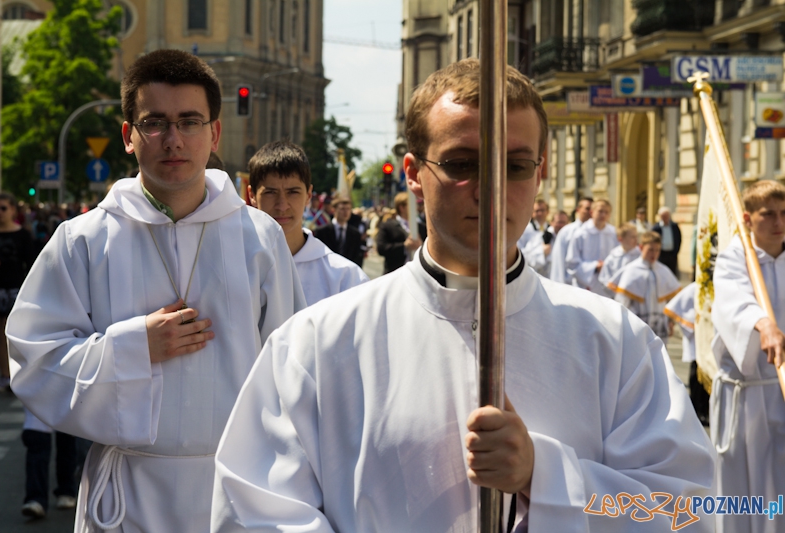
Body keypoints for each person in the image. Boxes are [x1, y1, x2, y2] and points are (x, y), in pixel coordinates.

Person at [211, 58, 714, 533]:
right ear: (413, 174)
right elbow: (254, 510)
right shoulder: (317, 343)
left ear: (540, 174)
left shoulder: (614, 341)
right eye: (460, 163)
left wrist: (547, 477)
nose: (491, 187)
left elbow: (686, 509)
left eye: (516, 165)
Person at [6, 49, 304, 533]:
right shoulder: (83, 240)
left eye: (189, 121)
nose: (173, 139)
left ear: (215, 133)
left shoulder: (259, 237)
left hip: (239, 492)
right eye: (154, 123)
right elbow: (34, 360)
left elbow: (294, 370)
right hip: (129, 497)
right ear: (128, 136)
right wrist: (133, 348)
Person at [710, 180, 785, 533]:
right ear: (747, 218)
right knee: (740, 479)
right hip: (746, 393)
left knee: (777, 480)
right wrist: (764, 325)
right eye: (768, 214)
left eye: (784, 214)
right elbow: (733, 302)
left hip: (780, 390)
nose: (778, 223)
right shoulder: (733, 258)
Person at [247, 140, 368, 306]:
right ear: (252, 195)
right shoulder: (233, 267)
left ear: (309, 195)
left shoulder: (345, 278)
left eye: (293, 192)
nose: (282, 205)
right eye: (270, 192)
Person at [0, 192, 34, 392]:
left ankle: (19, 376)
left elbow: (31, 264)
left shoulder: (22, 235)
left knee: (13, 335)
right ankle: (4, 376)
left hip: (16, 289)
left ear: (13, 209)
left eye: (3, 208)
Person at [606, 231, 680, 342]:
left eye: (657, 250)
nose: (654, 254)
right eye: (650, 250)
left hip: (659, 324)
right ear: (641, 247)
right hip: (638, 323)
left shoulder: (663, 270)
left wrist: (671, 321)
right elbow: (622, 301)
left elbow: (670, 301)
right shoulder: (632, 270)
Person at [664, 282, 710, 426]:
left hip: (711, 338)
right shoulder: (697, 286)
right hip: (699, 338)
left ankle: (706, 410)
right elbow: (676, 306)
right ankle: (697, 410)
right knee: (697, 375)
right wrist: (694, 325)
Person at [20, 409, 78, 519]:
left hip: (65, 398)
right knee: (36, 442)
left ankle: (67, 489)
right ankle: (36, 498)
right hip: (38, 397)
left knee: (67, 443)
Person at [565, 199, 618, 297]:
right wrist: (594, 267)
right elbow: (572, 263)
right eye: (600, 211)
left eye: (606, 212)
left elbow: (618, 257)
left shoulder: (613, 233)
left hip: (607, 286)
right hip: (585, 285)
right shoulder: (581, 233)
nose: (603, 215)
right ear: (592, 212)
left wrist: (608, 266)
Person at [376, 191, 421, 274]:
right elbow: (381, 248)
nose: (416, 207)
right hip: (395, 273)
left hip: (418, 274)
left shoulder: (421, 226)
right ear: (402, 207)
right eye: (411, 204)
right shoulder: (387, 226)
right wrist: (404, 246)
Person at [549, 197, 591, 284]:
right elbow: (558, 260)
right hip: (569, 284)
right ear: (578, 210)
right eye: (587, 208)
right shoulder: (566, 231)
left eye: (592, 209)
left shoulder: (599, 233)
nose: (590, 212)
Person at [314, 196, 366, 267]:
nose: (346, 212)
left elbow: (357, 257)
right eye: (342, 209)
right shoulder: (321, 231)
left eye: (348, 209)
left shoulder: (355, 234)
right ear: (334, 210)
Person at [598, 222, 640, 292]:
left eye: (636, 236)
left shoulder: (640, 255)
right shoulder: (613, 257)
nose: (636, 240)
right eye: (633, 237)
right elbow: (604, 279)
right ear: (620, 239)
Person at [524, 210, 567, 278]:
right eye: (559, 222)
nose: (561, 225)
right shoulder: (541, 237)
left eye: (564, 222)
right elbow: (529, 260)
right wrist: (543, 253)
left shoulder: (569, 239)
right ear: (552, 222)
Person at [652, 206, 681, 277]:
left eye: (666, 216)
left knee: (672, 274)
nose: (665, 218)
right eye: (663, 216)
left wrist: (676, 251)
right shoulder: (656, 228)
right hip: (661, 254)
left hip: (672, 254)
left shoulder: (674, 226)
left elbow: (678, 239)